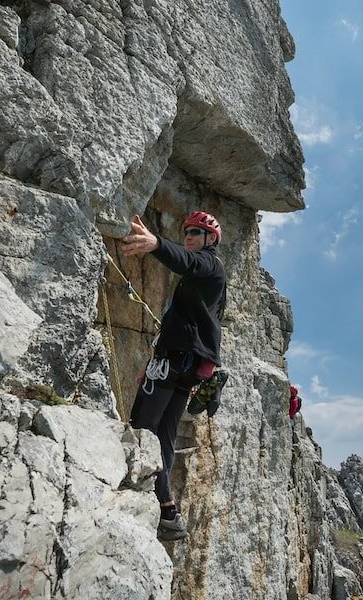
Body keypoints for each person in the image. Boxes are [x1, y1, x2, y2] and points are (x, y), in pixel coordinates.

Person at [120, 210, 227, 541]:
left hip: (173, 364)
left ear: (211, 240)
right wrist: (150, 359)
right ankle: (168, 512)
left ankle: (139, 491)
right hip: (183, 368)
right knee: (164, 435)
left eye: (196, 232)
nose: (189, 236)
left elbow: (187, 262)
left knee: (142, 426)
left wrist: (155, 244)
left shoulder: (210, 266)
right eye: (186, 232)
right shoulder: (202, 283)